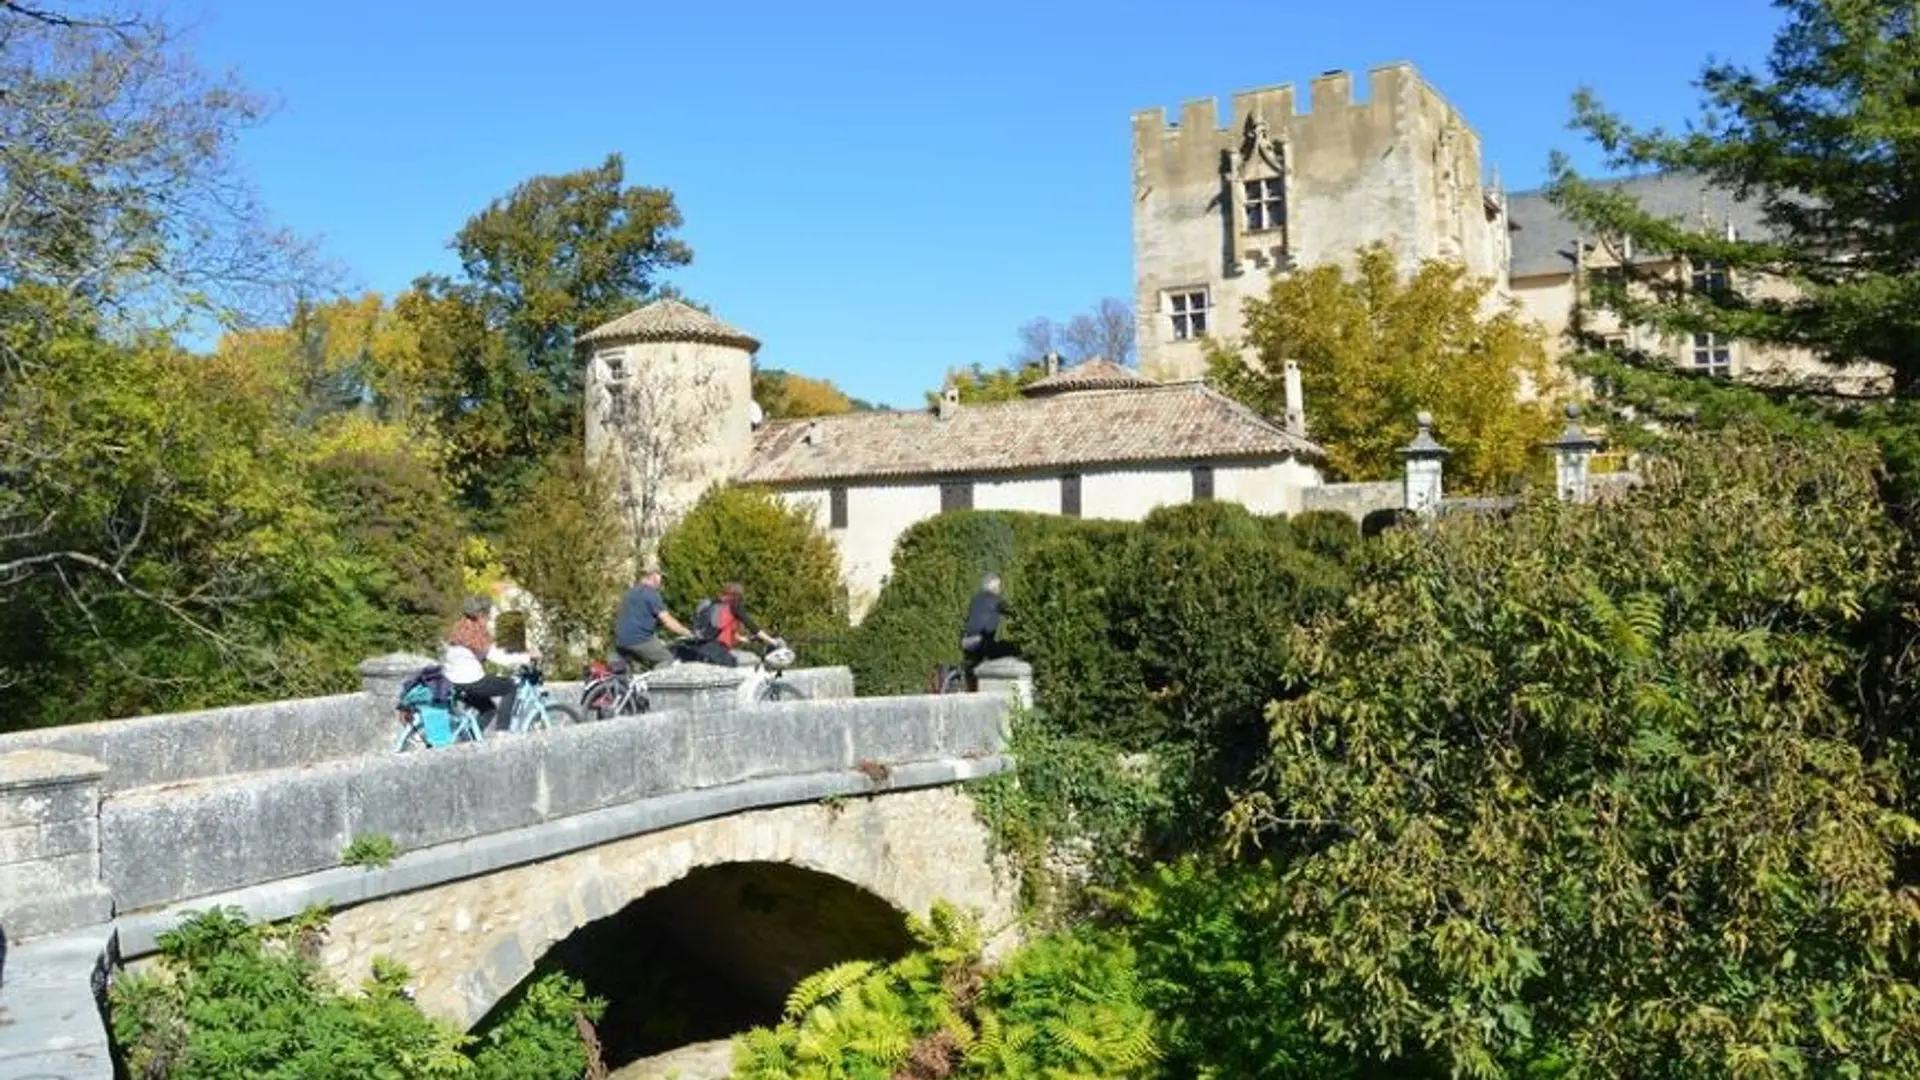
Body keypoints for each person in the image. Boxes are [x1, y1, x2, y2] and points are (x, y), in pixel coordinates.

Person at [443, 595, 535, 730]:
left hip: (454, 680)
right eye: (487, 615)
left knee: (488, 710)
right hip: (471, 681)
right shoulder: (475, 633)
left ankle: (471, 743)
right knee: (510, 687)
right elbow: (500, 658)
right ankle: (503, 733)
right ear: (480, 615)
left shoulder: (460, 627)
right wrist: (527, 657)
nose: (488, 619)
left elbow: (476, 654)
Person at [613, 566, 694, 670]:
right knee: (667, 659)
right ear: (654, 575)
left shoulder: (630, 592)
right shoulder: (651, 594)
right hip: (638, 640)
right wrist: (687, 633)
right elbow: (667, 621)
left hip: (620, 640)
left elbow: (635, 620)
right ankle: (655, 683)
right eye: (661, 576)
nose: (661, 581)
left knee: (643, 664)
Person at [685, 581, 783, 667]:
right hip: (717, 649)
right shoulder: (734, 605)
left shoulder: (714, 603)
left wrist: (745, 639)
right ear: (738, 595)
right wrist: (773, 641)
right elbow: (752, 627)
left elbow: (722, 630)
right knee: (745, 663)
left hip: (702, 645)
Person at [960, 572, 1016, 690]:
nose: (1000, 589)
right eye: (998, 586)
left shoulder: (975, 599)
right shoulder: (994, 600)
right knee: (1013, 648)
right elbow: (1013, 612)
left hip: (967, 642)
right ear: (993, 586)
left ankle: (972, 685)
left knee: (977, 663)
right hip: (981, 641)